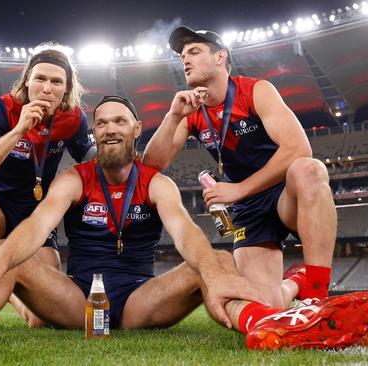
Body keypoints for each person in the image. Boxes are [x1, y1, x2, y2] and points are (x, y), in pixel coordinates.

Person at [0, 96, 368, 350]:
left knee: (206, 262)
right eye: (102, 123)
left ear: (137, 128)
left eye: (120, 120)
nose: (111, 129)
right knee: (9, 252)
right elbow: (39, 221)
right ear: (95, 134)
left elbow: (187, 235)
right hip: (77, 301)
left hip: (141, 301)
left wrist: (217, 270)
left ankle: (265, 325)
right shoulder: (77, 177)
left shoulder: (156, 182)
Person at [143, 27, 356, 329]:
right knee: (266, 307)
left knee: (308, 169)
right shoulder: (192, 111)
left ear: (220, 57)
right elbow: (151, 165)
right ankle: (297, 281)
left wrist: (239, 189)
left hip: (284, 194)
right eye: (182, 56)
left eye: (193, 52)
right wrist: (173, 116)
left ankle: (318, 296)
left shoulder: (255, 90)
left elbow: (298, 147)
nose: (184, 60)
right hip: (249, 211)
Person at [0, 44, 95, 326]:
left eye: (56, 82)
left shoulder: (73, 118)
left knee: (40, 320)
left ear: (66, 89)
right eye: (40, 79)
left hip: (36, 221)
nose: (47, 88)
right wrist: (18, 130)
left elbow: (93, 160)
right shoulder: (2, 108)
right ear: (27, 81)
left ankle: (5, 284)